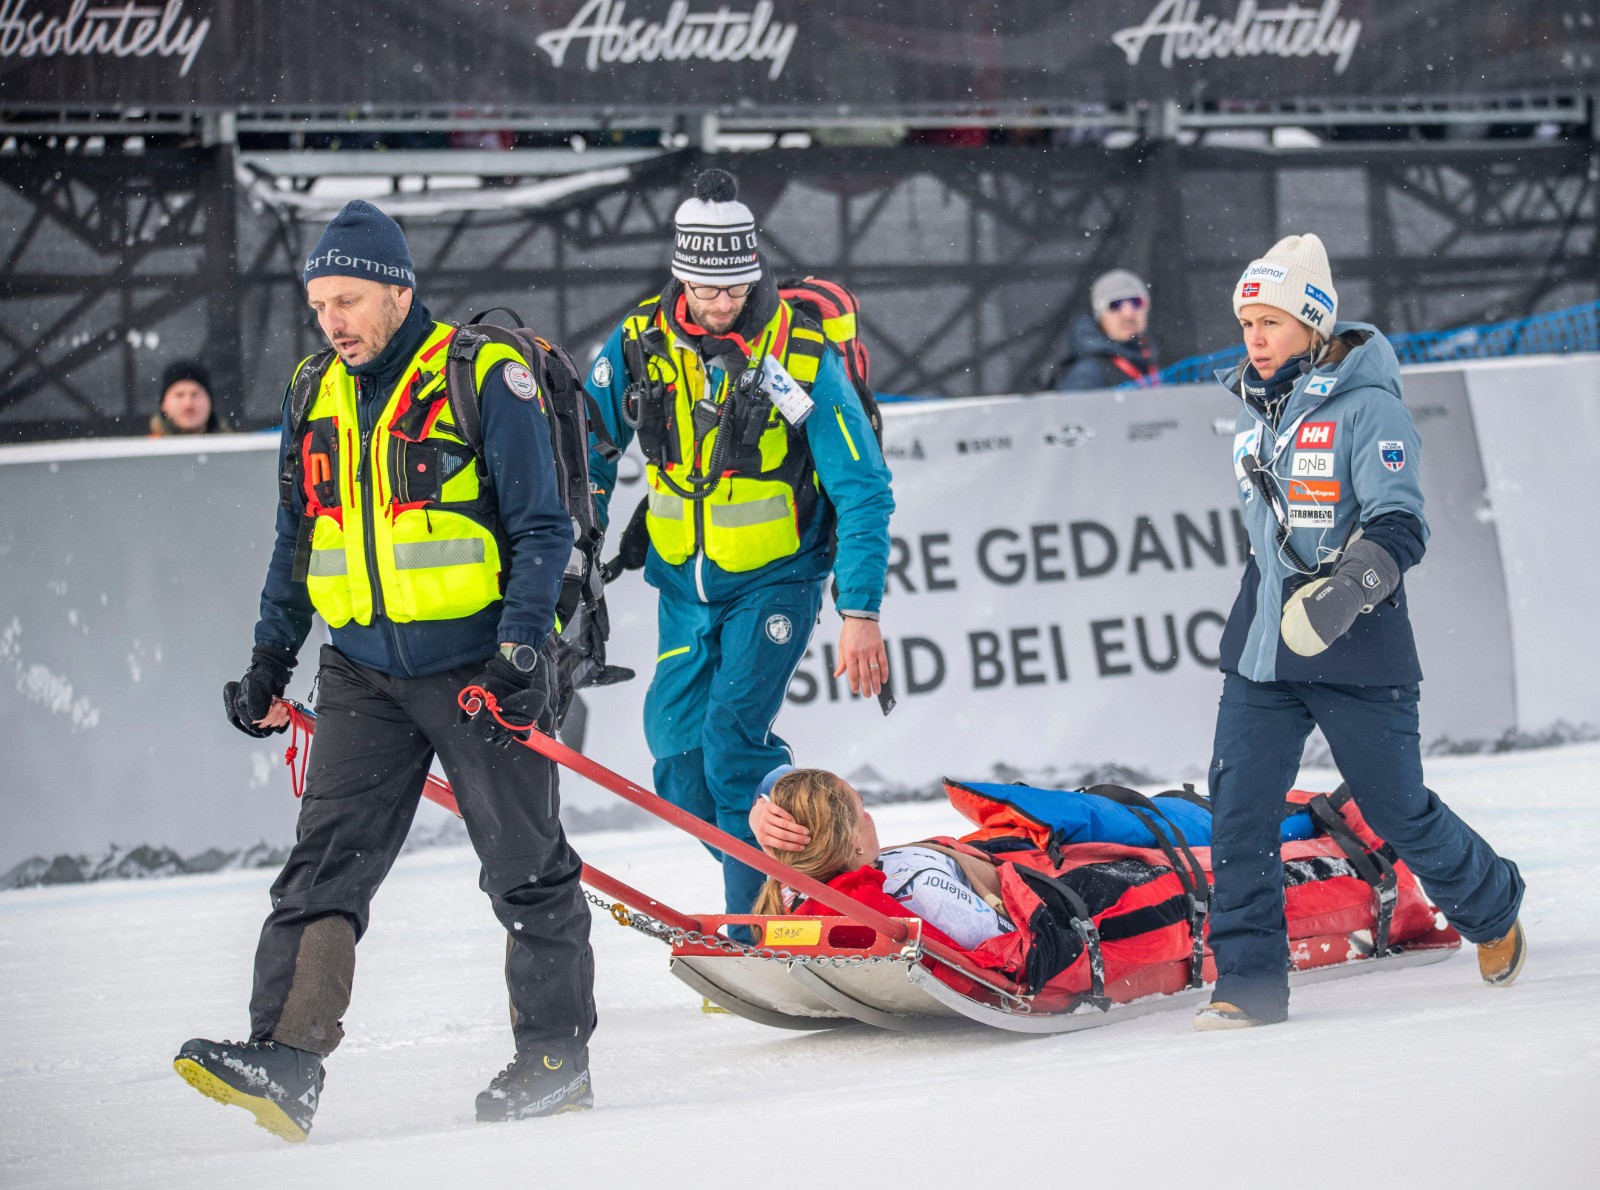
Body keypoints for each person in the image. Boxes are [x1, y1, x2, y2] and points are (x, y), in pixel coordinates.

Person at [172, 199, 597, 1139]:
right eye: (320, 300)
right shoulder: (311, 389)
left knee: (525, 869)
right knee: (324, 866)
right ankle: (284, 1057)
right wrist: (268, 659)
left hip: (480, 666)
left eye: (350, 298)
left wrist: (523, 653)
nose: (333, 318)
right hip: (361, 670)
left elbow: (540, 527)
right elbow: (297, 541)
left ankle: (555, 1060)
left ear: (399, 291)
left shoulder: (482, 374)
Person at [1197, 232, 1526, 1029]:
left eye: (1271, 322)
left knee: (1396, 807)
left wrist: (1345, 595)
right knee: (1239, 812)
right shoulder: (1259, 412)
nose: (1256, 339)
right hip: (1265, 652)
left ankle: (1491, 904)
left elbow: (1401, 526)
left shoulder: (1370, 407)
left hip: (1357, 647)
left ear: (1312, 324)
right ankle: (1247, 984)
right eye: (1247, 324)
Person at [585, 169, 894, 917]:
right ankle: (792, 876)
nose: (721, 304)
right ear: (680, 276)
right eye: (706, 288)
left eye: (735, 288)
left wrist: (860, 611)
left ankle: (752, 927)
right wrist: (572, 560)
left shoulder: (802, 353)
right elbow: (585, 451)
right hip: (682, 593)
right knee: (680, 765)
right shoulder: (639, 345)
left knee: (730, 747)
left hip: (776, 583)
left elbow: (863, 488)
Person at [749, 767, 1014, 951]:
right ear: (854, 840)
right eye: (861, 808)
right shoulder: (925, 891)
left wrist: (759, 803)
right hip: (1013, 868)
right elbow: (1013, 952)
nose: (869, 816)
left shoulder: (789, 889)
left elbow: (779, 777)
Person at [1051, 268, 1159, 391]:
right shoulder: (1088, 373)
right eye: (1115, 305)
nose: (1128, 314)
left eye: (1136, 302)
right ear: (1100, 317)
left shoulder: (1150, 357)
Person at [149, 359, 228, 435]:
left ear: (210, 403)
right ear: (164, 404)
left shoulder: (233, 445)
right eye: (179, 395)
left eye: (195, 395)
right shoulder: (146, 447)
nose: (188, 405)